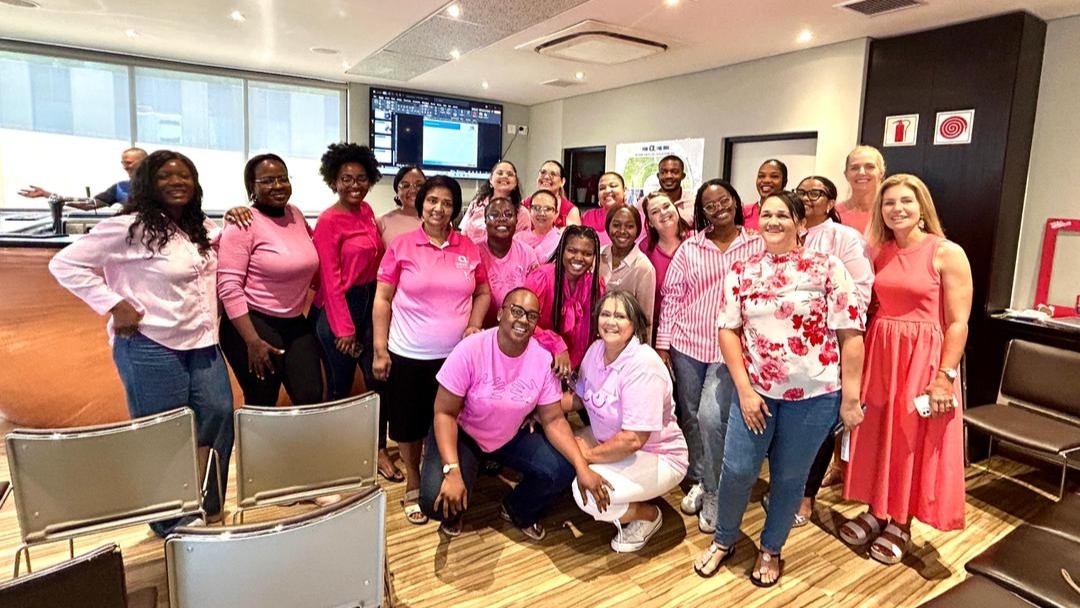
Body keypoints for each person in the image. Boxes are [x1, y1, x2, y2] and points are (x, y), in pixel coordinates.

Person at [48, 150, 233, 534]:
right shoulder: (128, 227)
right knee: (163, 434)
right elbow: (64, 264)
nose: (177, 182)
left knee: (217, 416)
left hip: (203, 343)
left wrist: (235, 215)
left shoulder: (199, 226)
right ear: (148, 182)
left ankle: (209, 505)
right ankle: (170, 522)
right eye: (166, 176)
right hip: (151, 345)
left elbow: (219, 245)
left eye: (184, 176)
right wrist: (115, 304)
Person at [694, 191, 865, 586]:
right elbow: (728, 330)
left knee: (790, 477)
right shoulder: (742, 270)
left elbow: (850, 334)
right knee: (737, 470)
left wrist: (851, 399)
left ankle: (771, 548)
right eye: (766, 215)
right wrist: (745, 389)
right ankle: (724, 539)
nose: (772, 221)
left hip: (814, 397)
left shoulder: (827, 267)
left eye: (783, 215)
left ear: (801, 223)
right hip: (757, 393)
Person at [842, 174, 973, 565]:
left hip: (924, 358)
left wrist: (944, 377)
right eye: (889, 203)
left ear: (921, 209)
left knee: (910, 439)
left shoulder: (946, 252)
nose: (897, 209)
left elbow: (958, 323)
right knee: (878, 433)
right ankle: (876, 509)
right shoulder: (879, 251)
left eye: (905, 202)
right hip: (881, 352)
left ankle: (901, 520)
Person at [419, 288, 609, 539]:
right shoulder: (471, 349)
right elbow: (444, 413)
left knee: (563, 469)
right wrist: (452, 470)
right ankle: (457, 502)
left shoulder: (542, 359)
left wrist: (581, 465)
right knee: (435, 500)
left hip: (510, 434)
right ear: (500, 313)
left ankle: (517, 509)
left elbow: (553, 419)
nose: (523, 320)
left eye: (531, 316)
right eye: (516, 311)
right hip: (465, 433)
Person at [373, 175, 492, 524]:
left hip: (455, 358)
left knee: (448, 419)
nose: (439, 208)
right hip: (408, 353)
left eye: (447, 203)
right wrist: (380, 349)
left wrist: (474, 324)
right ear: (420, 204)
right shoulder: (402, 245)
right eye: (432, 201)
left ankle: (444, 469)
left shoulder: (468, 247)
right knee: (409, 426)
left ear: (456, 208)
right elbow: (383, 299)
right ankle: (413, 480)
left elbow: (483, 291)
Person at [656, 179, 762, 533]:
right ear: (700, 212)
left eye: (724, 201)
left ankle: (716, 491)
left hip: (729, 349)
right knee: (689, 415)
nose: (718, 209)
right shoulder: (691, 248)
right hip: (688, 344)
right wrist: (663, 344)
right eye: (709, 205)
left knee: (710, 419)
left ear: (736, 201)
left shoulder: (757, 246)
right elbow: (672, 296)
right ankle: (700, 479)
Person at [307, 143, 401, 483]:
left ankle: (377, 450)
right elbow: (330, 281)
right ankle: (335, 455)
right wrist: (343, 329)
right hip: (340, 309)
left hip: (369, 302)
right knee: (339, 386)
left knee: (379, 380)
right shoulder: (329, 221)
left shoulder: (366, 213)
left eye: (361, 178)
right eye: (346, 178)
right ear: (334, 181)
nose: (354, 185)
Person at [785, 175, 875, 524]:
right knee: (789, 428)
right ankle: (785, 488)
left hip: (825, 345)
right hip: (786, 350)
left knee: (817, 426)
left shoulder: (844, 239)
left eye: (815, 193)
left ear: (830, 201)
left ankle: (806, 496)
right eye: (801, 192)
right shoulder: (786, 235)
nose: (807, 198)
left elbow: (860, 293)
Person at [571, 291, 688, 552]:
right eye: (606, 314)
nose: (611, 322)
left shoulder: (643, 365)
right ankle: (632, 492)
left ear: (634, 324)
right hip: (609, 438)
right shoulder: (596, 350)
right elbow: (580, 398)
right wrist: (538, 408)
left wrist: (585, 458)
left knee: (586, 493)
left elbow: (634, 439)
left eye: (620, 316)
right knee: (564, 445)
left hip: (657, 454)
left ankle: (648, 515)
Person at [217, 154, 322, 407]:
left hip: (294, 320)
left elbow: (311, 247)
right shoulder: (243, 224)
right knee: (262, 399)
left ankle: (294, 447)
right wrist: (252, 341)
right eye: (267, 181)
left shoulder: (295, 214)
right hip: (252, 322)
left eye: (282, 179)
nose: (277, 185)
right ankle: (256, 448)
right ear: (251, 187)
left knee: (310, 394)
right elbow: (228, 287)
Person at [525, 224, 605, 376]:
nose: (579, 258)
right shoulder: (542, 277)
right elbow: (522, 320)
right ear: (562, 250)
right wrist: (555, 343)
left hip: (579, 369)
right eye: (572, 251)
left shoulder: (595, 285)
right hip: (540, 361)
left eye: (587, 253)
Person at [19, 147, 148, 211]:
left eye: (129, 163)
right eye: (123, 163)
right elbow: (88, 204)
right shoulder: (120, 187)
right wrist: (48, 195)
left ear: (144, 162)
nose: (125, 167)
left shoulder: (161, 186)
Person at [479, 196, 539, 327]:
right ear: (485, 221)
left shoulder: (527, 253)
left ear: (516, 221)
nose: (502, 218)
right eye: (494, 215)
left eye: (508, 214)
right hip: (480, 328)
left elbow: (533, 297)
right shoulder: (474, 252)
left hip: (517, 327)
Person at [599, 206, 656, 342]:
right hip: (597, 337)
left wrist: (642, 353)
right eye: (616, 225)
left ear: (637, 230)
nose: (622, 231)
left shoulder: (643, 267)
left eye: (629, 226)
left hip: (626, 342)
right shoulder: (598, 256)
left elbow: (645, 319)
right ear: (608, 227)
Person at [640, 191, 692, 337]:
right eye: (655, 212)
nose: (663, 213)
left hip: (691, 331)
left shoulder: (697, 241)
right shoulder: (644, 249)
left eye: (666, 206)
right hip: (657, 330)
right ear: (650, 222)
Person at [459, 160, 530, 243]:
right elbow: (463, 234)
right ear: (491, 180)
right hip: (471, 253)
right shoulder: (476, 204)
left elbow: (521, 245)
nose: (504, 176)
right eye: (500, 173)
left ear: (515, 183)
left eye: (510, 174)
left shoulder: (522, 213)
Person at [581, 172, 643, 247]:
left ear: (625, 191)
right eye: (602, 188)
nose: (607, 191)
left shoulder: (640, 218)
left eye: (613, 186)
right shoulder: (589, 216)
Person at [836, 145, 886, 234]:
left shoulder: (892, 212)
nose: (861, 172)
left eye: (870, 167)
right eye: (854, 168)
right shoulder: (834, 215)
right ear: (846, 174)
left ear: (881, 173)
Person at [521, 160, 581, 227]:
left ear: (562, 182)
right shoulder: (524, 204)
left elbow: (575, 237)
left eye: (553, 174)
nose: (546, 177)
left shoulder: (570, 211)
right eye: (543, 172)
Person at [378, 165, 425, 248]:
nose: (413, 190)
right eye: (405, 185)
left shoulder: (438, 221)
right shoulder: (382, 222)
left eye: (419, 185)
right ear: (397, 192)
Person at [514, 189, 563, 262]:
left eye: (548, 209)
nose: (542, 213)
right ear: (529, 210)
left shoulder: (561, 240)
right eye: (536, 208)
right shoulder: (518, 239)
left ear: (555, 213)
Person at [741, 159, 788, 231]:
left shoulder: (791, 213)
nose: (766, 180)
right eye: (761, 176)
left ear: (784, 182)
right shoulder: (743, 213)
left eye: (774, 176)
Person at [647, 155, 695, 225]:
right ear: (658, 176)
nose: (668, 176)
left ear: (683, 176)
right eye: (663, 172)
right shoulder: (646, 203)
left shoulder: (693, 204)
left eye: (674, 172)